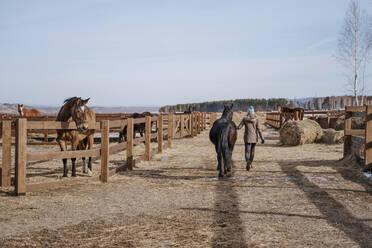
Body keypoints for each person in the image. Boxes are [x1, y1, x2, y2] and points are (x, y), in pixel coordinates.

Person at [237, 106, 264, 171]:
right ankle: (250, 162)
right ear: (253, 112)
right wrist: (262, 138)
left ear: (248, 112)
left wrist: (235, 126)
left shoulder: (245, 118)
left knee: (247, 151)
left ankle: (248, 162)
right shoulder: (256, 119)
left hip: (247, 137)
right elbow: (259, 129)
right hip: (254, 137)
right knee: (252, 151)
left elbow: (239, 127)